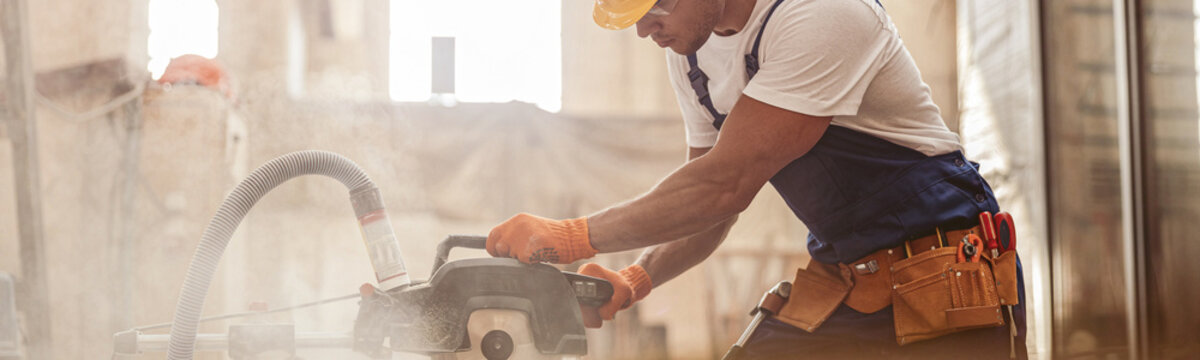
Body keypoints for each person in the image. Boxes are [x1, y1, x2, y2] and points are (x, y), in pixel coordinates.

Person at [486, 0, 1027, 358]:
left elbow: (724, 184)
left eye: (656, 5)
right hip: (845, 281)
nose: (644, 28)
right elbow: (706, 202)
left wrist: (570, 236)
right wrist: (635, 281)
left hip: (946, 277)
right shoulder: (691, 53)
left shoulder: (825, 13)